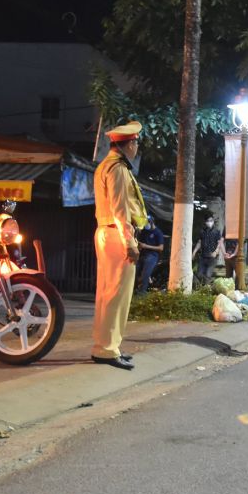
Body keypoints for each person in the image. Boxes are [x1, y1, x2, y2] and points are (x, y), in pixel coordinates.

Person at [91, 120, 147, 371]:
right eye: (136, 143)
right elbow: (120, 209)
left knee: (106, 293)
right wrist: (129, 242)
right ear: (129, 144)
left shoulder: (105, 165)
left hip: (107, 232)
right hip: (116, 234)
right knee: (117, 295)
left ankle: (105, 345)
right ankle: (107, 349)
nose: (137, 147)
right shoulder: (118, 169)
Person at [135, 214, 164, 293]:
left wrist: (146, 246)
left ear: (151, 222)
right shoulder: (144, 231)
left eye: (147, 223)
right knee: (135, 272)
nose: (146, 225)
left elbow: (161, 248)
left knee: (145, 274)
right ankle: (134, 290)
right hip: (142, 255)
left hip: (152, 256)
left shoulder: (158, 233)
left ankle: (142, 292)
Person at [192, 216, 223, 284]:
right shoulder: (202, 231)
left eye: (211, 220)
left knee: (207, 275)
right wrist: (194, 252)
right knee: (199, 274)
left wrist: (216, 251)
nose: (209, 222)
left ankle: (207, 288)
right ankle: (207, 285)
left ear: (213, 221)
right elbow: (199, 242)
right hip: (203, 257)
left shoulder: (217, 232)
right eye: (208, 221)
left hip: (212, 257)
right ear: (205, 222)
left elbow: (219, 243)